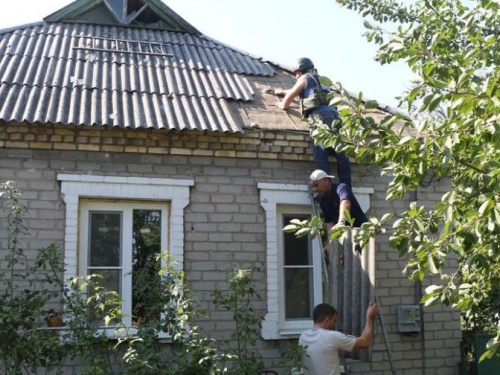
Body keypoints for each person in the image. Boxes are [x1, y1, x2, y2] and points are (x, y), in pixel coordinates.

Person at [267, 57, 351, 186]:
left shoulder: (304, 78)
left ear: (298, 72)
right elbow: (300, 91)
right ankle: (347, 186)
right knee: (340, 153)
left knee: (320, 151)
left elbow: (292, 95)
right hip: (335, 117)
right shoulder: (322, 82)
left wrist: (282, 105)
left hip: (320, 117)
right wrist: (281, 91)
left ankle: (326, 187)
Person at [299, 302, 379, 375]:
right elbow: (365, 342)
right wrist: (370, 317)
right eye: (334, 321)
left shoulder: (303, 336)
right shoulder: (331, 336)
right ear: (327, 320)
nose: (335, 325)